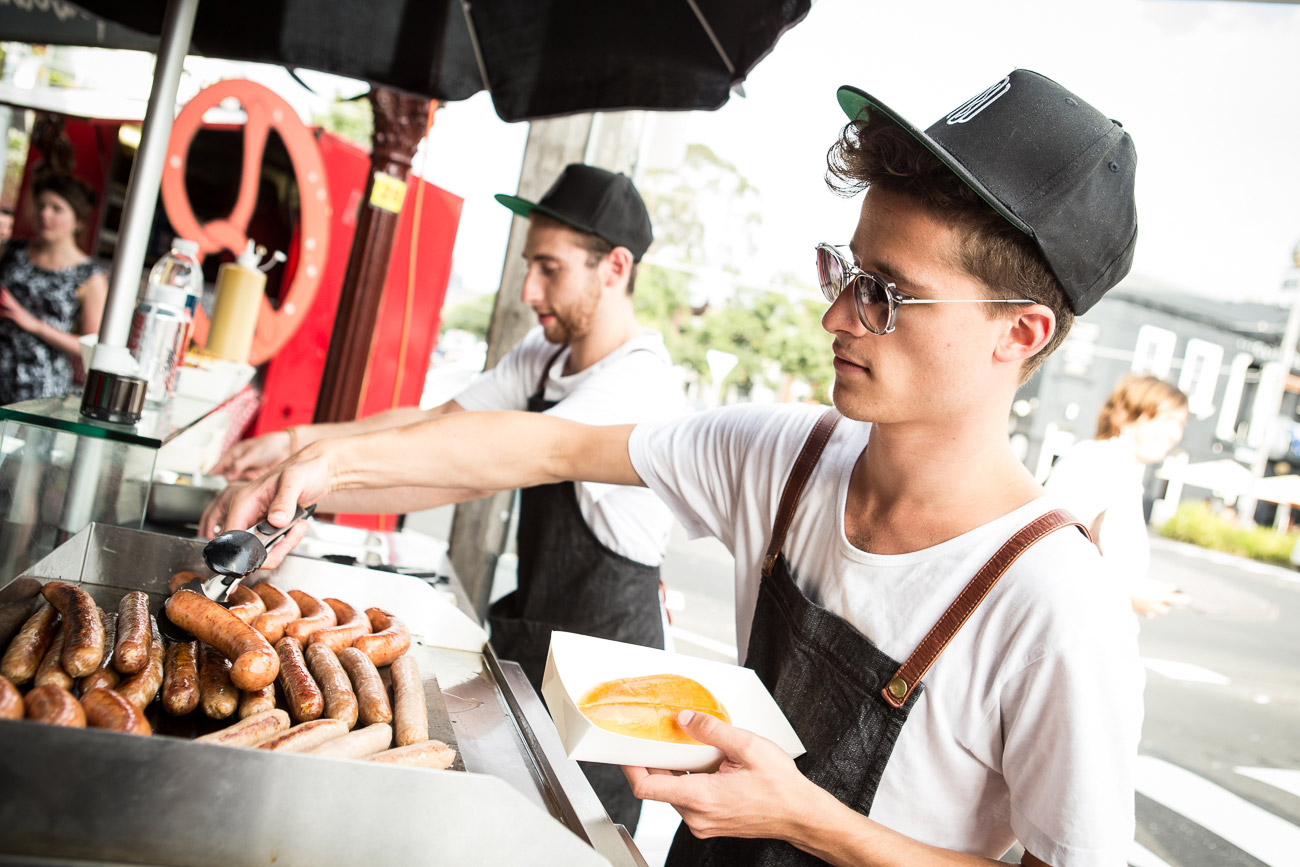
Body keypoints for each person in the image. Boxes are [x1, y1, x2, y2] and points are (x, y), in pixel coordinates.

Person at [219, 69, 1143, 866]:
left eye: (886, 295)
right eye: (845, 271)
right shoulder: (787, 456)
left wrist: (809, 819)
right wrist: (324, 467)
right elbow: (546, 446)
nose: (836, 317)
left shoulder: (1056, 604)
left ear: (1020, 334)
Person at [203, 163, 685, 833]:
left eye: (549, 268)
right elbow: (437, 427)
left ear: (615, 267)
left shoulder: (637, 384)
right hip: (541, 646)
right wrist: (295, 448)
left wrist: (323, 471)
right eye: (529, 265)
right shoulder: (546, 355)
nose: (529, 289)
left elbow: (480, 467)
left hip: (609, 687)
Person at [1045, 374, 1190, 618]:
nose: (1175, 434)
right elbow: (1050, 549)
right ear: (1126, 416)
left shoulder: (1121, 467)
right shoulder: (1097, 461)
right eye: (1167, 419)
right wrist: (1128, 596)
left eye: (1181, 424)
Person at [0, 173, 107, 406]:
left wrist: (33, 324)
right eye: (41, 206)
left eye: (57, 209)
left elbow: (91, 346)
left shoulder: (89, 276)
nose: (45, 214)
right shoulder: (11, 251)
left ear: (78, 221)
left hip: (39, 388)